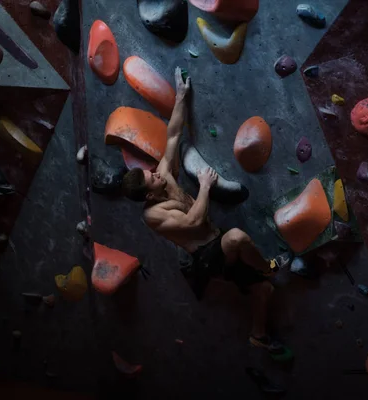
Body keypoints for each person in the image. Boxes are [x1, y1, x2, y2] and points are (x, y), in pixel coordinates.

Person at [122, 67, 292, 360]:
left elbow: (173, 134)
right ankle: (268, 267)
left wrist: (181, 96)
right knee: (237, 238)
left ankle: (258, 336)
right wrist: (204, 186)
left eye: (151, 172)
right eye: (152, 178)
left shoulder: (165, 174)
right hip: (206, 256)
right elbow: (193, 221)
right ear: (149, 194)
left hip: (215, 240)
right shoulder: (153, 216)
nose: (156, 173)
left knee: (264, 291)